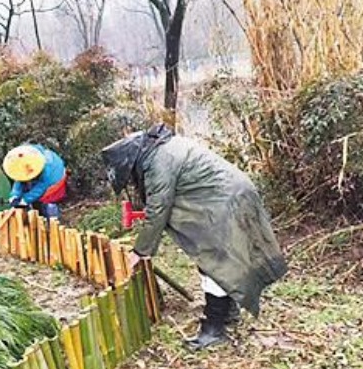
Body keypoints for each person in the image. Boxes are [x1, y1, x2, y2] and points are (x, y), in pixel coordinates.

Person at [101, 124, 287, 350]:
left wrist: (140, 252)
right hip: (228, 195)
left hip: (224, 201)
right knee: (217, 261)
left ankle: (213, 329)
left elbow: (158, 209)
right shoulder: (159, 149)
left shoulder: (159, 161)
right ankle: (228, 311)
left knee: (214, 262)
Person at [3, 144, 67, 219]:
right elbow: (19, 180)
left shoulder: (46, 171)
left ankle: (53, 220)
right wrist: (15, 195)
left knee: (50, 203)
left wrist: (25, 200)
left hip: (55, 182)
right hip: (42, 178)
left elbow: (39, 189)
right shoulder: (26, 160)